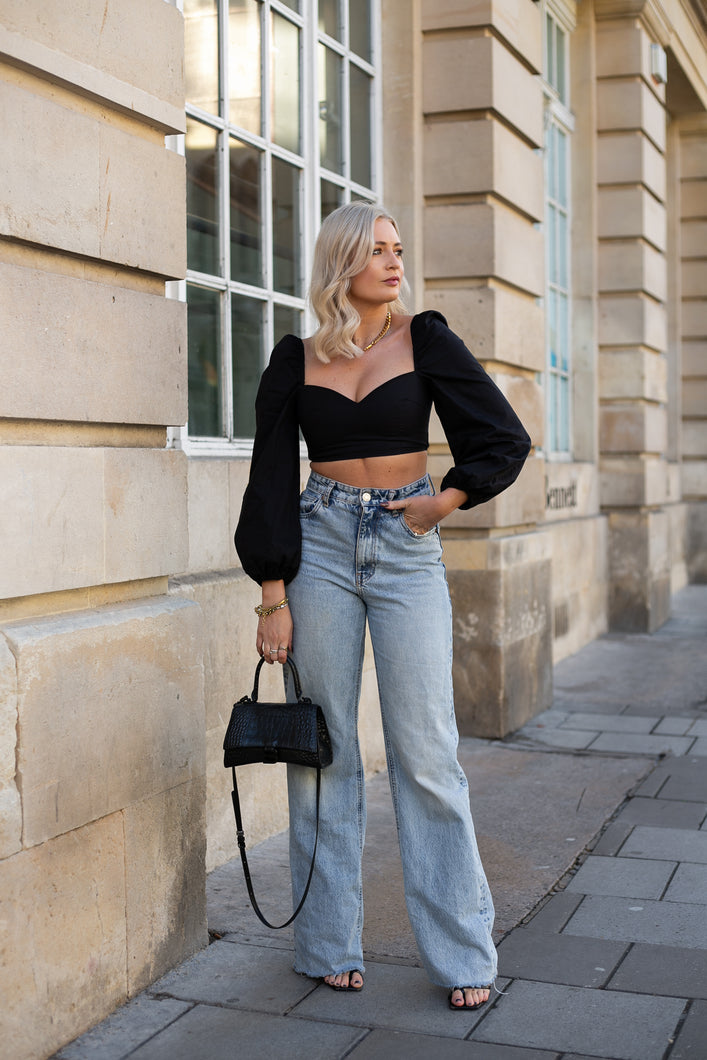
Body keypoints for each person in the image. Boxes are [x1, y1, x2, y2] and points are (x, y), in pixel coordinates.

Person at [235, 201, 530, 1010]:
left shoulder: (425, 337)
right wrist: (272, 595)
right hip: (319, 545)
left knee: (426, 752)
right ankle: (326, 942)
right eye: (378, 251)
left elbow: (502, 436)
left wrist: (446, 501)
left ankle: (464, 954)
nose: (395, 263)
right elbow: (268, 477)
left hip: (405, 547)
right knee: (321, 751)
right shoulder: (294, 358)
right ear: (343, 264)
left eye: (399, 250)